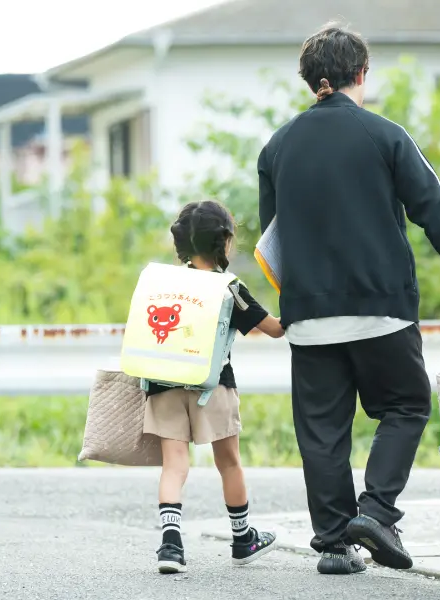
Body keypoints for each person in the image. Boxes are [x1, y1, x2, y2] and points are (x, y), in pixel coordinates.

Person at [256, 22, 440, 575]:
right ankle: (378, 511)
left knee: (322, 431)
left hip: (309, 316)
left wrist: (299, 300)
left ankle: (335, 544)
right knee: (406, 406)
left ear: (311, 81)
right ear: (361, 74)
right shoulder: (385, 135)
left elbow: (272, 236)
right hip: (381, 307)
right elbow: (435, 209)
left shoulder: (276, 148)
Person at [144, 200, 284, 574]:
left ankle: (170, 547)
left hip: (162, 384)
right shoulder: (228, 287)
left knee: (174, 466)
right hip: (213, 386)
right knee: (229, 462)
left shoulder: (161, 284)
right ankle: (243, 539)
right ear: (224, 242)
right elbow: (273, 328)